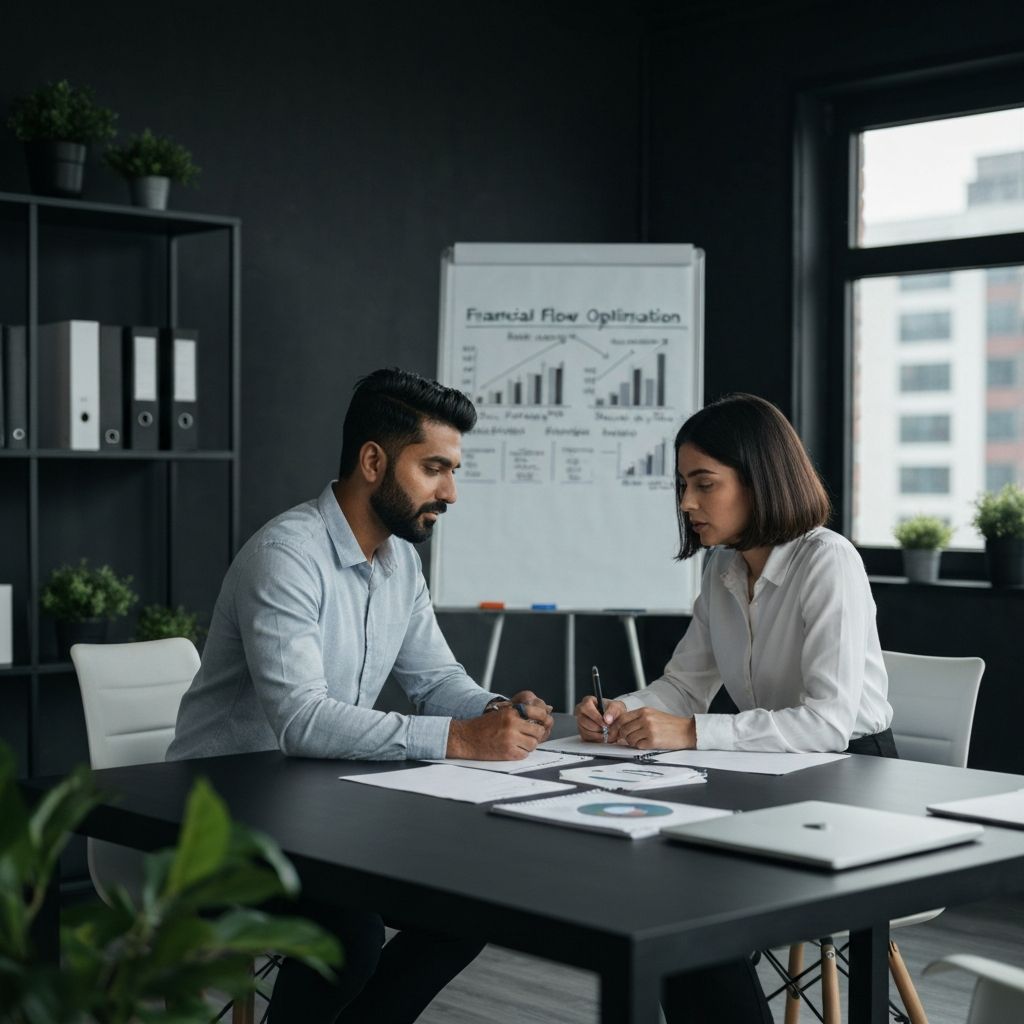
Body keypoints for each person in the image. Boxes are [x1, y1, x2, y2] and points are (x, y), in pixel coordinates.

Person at [169, 367, 553, 1023]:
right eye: (434, 468)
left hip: (317, 805)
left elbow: (435, 680)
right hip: (223, 815)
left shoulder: (400, 561)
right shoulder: (288, 555)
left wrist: (493, 710)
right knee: (346, 935)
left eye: (453, 470)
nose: (451, 491)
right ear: (373, 461)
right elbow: (300, 721)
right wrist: (461, 739)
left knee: (466, 906)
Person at [574, 392, 895, 1023]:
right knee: (669, 896)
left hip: (854, 784)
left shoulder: (828, 561)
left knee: (693, 904)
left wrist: (688, 731)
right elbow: (683, 685)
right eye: (682, 485)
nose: (687, 503)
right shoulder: (721, 567)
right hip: (764, 774)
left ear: (761, 482)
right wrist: (623, 709)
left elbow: (828, 724)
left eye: (704, 484)